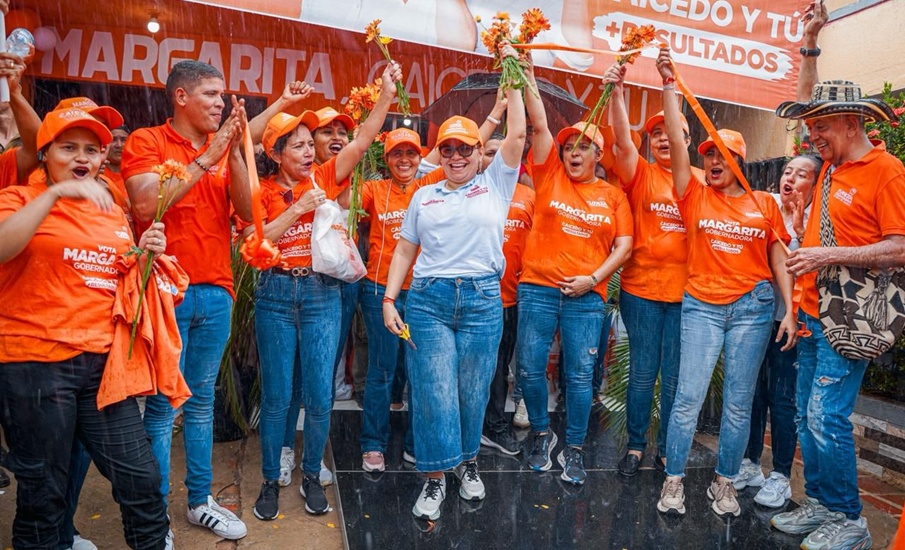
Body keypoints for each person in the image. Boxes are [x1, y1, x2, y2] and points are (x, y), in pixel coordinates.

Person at [0, 107, 171, 550]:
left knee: (142, 480)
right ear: (45, 155)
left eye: (92, 150)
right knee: (43, 493)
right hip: (34, 366)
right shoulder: (17, 198)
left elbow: (116, 277)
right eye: (69, 147)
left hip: (103, 368)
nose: (83, 157)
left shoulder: (110, 208)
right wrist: (54, 196)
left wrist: (144, 253)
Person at [770, 22, 905, 550]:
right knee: (808, 418)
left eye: (820, 127)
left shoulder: (886, 171)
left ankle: (850, 520)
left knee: (826, 416)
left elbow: (901, 246)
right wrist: (809, 43)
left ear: (849, 123)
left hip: (849, 318)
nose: (810, 138)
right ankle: (823, 506)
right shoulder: (831, 162)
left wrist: (829, 254)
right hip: (809, 313)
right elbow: (806, 98)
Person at [247, 62, 403, 520]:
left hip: (321, 297)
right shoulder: (258, 192)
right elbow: (254, 246)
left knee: (319, 395)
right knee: (276, 397)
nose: (307, 153)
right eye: (297, 147)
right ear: (276, 154)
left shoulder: (327, 176)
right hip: (275, 295)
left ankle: (312, 476)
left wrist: (386, 97)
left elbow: (362, 140)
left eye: (307, 146)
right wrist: (298, 207)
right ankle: (270, 481)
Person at [382, 44, 526, 521]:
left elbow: (520, 133)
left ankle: (466, 464)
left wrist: (517, 73)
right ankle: (434, 478)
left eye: (466, 147)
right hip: (428, 302)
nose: (457, 154)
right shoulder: (424, 196)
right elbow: (404, 248)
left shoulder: (496, 183)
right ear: (439, 153)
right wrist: (389, 298)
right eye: (449, 147)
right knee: (433, 390)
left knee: (471, 392)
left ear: (477, 151)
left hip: (484, 301)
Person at [653, 46, 797, 518]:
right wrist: (669, 83)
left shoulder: (766, 204)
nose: (712, 161)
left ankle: (725, 482)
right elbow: (675, 140)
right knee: (687, 399)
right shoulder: (692, 193)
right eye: (708, 154)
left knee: (738, 405)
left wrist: (791, 309)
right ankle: (673, 481)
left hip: (754, 308)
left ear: (739, 159)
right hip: (702, 306)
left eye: (722, 155)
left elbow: (779, 259)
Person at [122, 60, 252, 541]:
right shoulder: (147, 141)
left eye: (223, 96)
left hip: (216, 291)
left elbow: (243, 209)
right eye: (211, 95)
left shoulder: (222, 147)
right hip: (164, 290)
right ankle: (154, 517)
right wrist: (206, 156)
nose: (221, 103)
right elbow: (142, 203)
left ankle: (200, 501)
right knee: (161, 407)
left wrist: (234, 153)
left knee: (199, 403)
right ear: (181, 97)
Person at [517, 56, 633, 486]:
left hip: (587, 296)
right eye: (569, 147)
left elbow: (624, 245)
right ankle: (544, 437)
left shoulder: (612, 195)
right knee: (529, 368)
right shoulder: (548, 176)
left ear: (599, 155)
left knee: (580, 376)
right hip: (537, 289)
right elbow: (541, 124)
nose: (574, 152)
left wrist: (594, 279)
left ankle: (576, 449)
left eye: (583, 146)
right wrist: (529, 77)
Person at [603, 63, 704, 477]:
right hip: (641, 291)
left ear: (687, 139)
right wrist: (616, 92)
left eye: (672, 132)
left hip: (689, 297)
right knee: (643, 374)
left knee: (677, 377)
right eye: (657, 134)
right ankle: (634, 446)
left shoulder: (699, 180)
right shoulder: (639, 173)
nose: (665, 139)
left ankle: (669, 449)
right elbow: (623, 143)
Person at [733, 153, 820, 508]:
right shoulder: (764, 209)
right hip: (755, 319)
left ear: (815, 185)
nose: (791, 179)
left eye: (801, 175)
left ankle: (781, 475)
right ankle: (751, 463)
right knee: (753, 394)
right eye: (787, 172)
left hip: (794, 321)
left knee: (783, 399)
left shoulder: (817, 221)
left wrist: (800, 230)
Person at [358, 127, 446, 472]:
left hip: (423, 291)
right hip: (379, 290)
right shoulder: (373, 190)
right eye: (397, 154)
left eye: (411, 153)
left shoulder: (429, 187)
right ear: (387, 159)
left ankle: (415, 443)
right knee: (381, 370)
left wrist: (498, 111)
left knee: (419, 371)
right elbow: (342, 190)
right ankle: (372, 444)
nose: (405, 160)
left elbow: (463, 149)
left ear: (420, 158)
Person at [477, 130, 535, 455]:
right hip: (474, 296)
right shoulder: (471, 192)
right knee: (477, 368)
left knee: (500, 365)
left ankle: (495, 424)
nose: (495, 158)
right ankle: (478, 425)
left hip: (511, 297)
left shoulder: (529, 196)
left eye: (501, 151)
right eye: (488, 152)